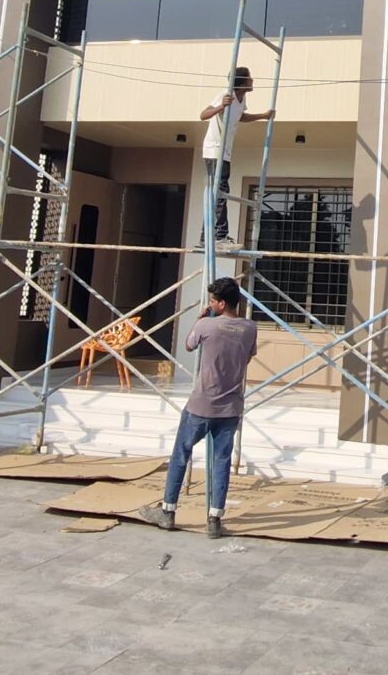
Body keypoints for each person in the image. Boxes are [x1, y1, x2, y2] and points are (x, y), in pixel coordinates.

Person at [142, 278, 259, 538]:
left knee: (181, 454)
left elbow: (189, 344)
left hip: (201, 404)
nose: (210, 304)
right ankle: (214, 519)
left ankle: (168, 511)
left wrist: (201, 319)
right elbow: (247, 357)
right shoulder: (250, 328)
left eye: (213, 301)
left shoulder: (206, 325)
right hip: (230, 407)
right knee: (221, 461)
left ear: (222, 303)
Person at [197, 67, 273, 251]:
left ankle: (206, 237)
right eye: (249, 78)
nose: (252, 80)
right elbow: (203, 115)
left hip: (224, 153)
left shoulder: (242, 99)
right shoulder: (226, 95)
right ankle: (219, 237)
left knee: (217, 194)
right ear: (242, 83)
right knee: (220, 192)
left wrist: (263, 116)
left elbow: (241, 116)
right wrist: (221, 106)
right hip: (215, 151)